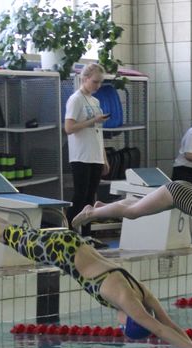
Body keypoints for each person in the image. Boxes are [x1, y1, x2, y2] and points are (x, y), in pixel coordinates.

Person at [0, 203, 192, 348]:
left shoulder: (140, 293)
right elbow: (159, 328)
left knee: (7, 230)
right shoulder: (126, 300)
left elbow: (167, 322)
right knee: (2, 234)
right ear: (129, 320)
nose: (118, 326)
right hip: (60, 250)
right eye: (124, 327)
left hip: (68, 243)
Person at [64, 63, 110, 237]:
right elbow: (68, 128)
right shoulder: (75, 99)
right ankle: (70, 233)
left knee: (91, 199)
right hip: (81, 156)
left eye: (100, 83)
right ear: (84, 79)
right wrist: (92, 120)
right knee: (80, 197)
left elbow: (98, 132)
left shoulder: (95, 101)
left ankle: (87, 235)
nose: (97, 86)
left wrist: (103, 157)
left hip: (95, 155)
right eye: (95, 82)